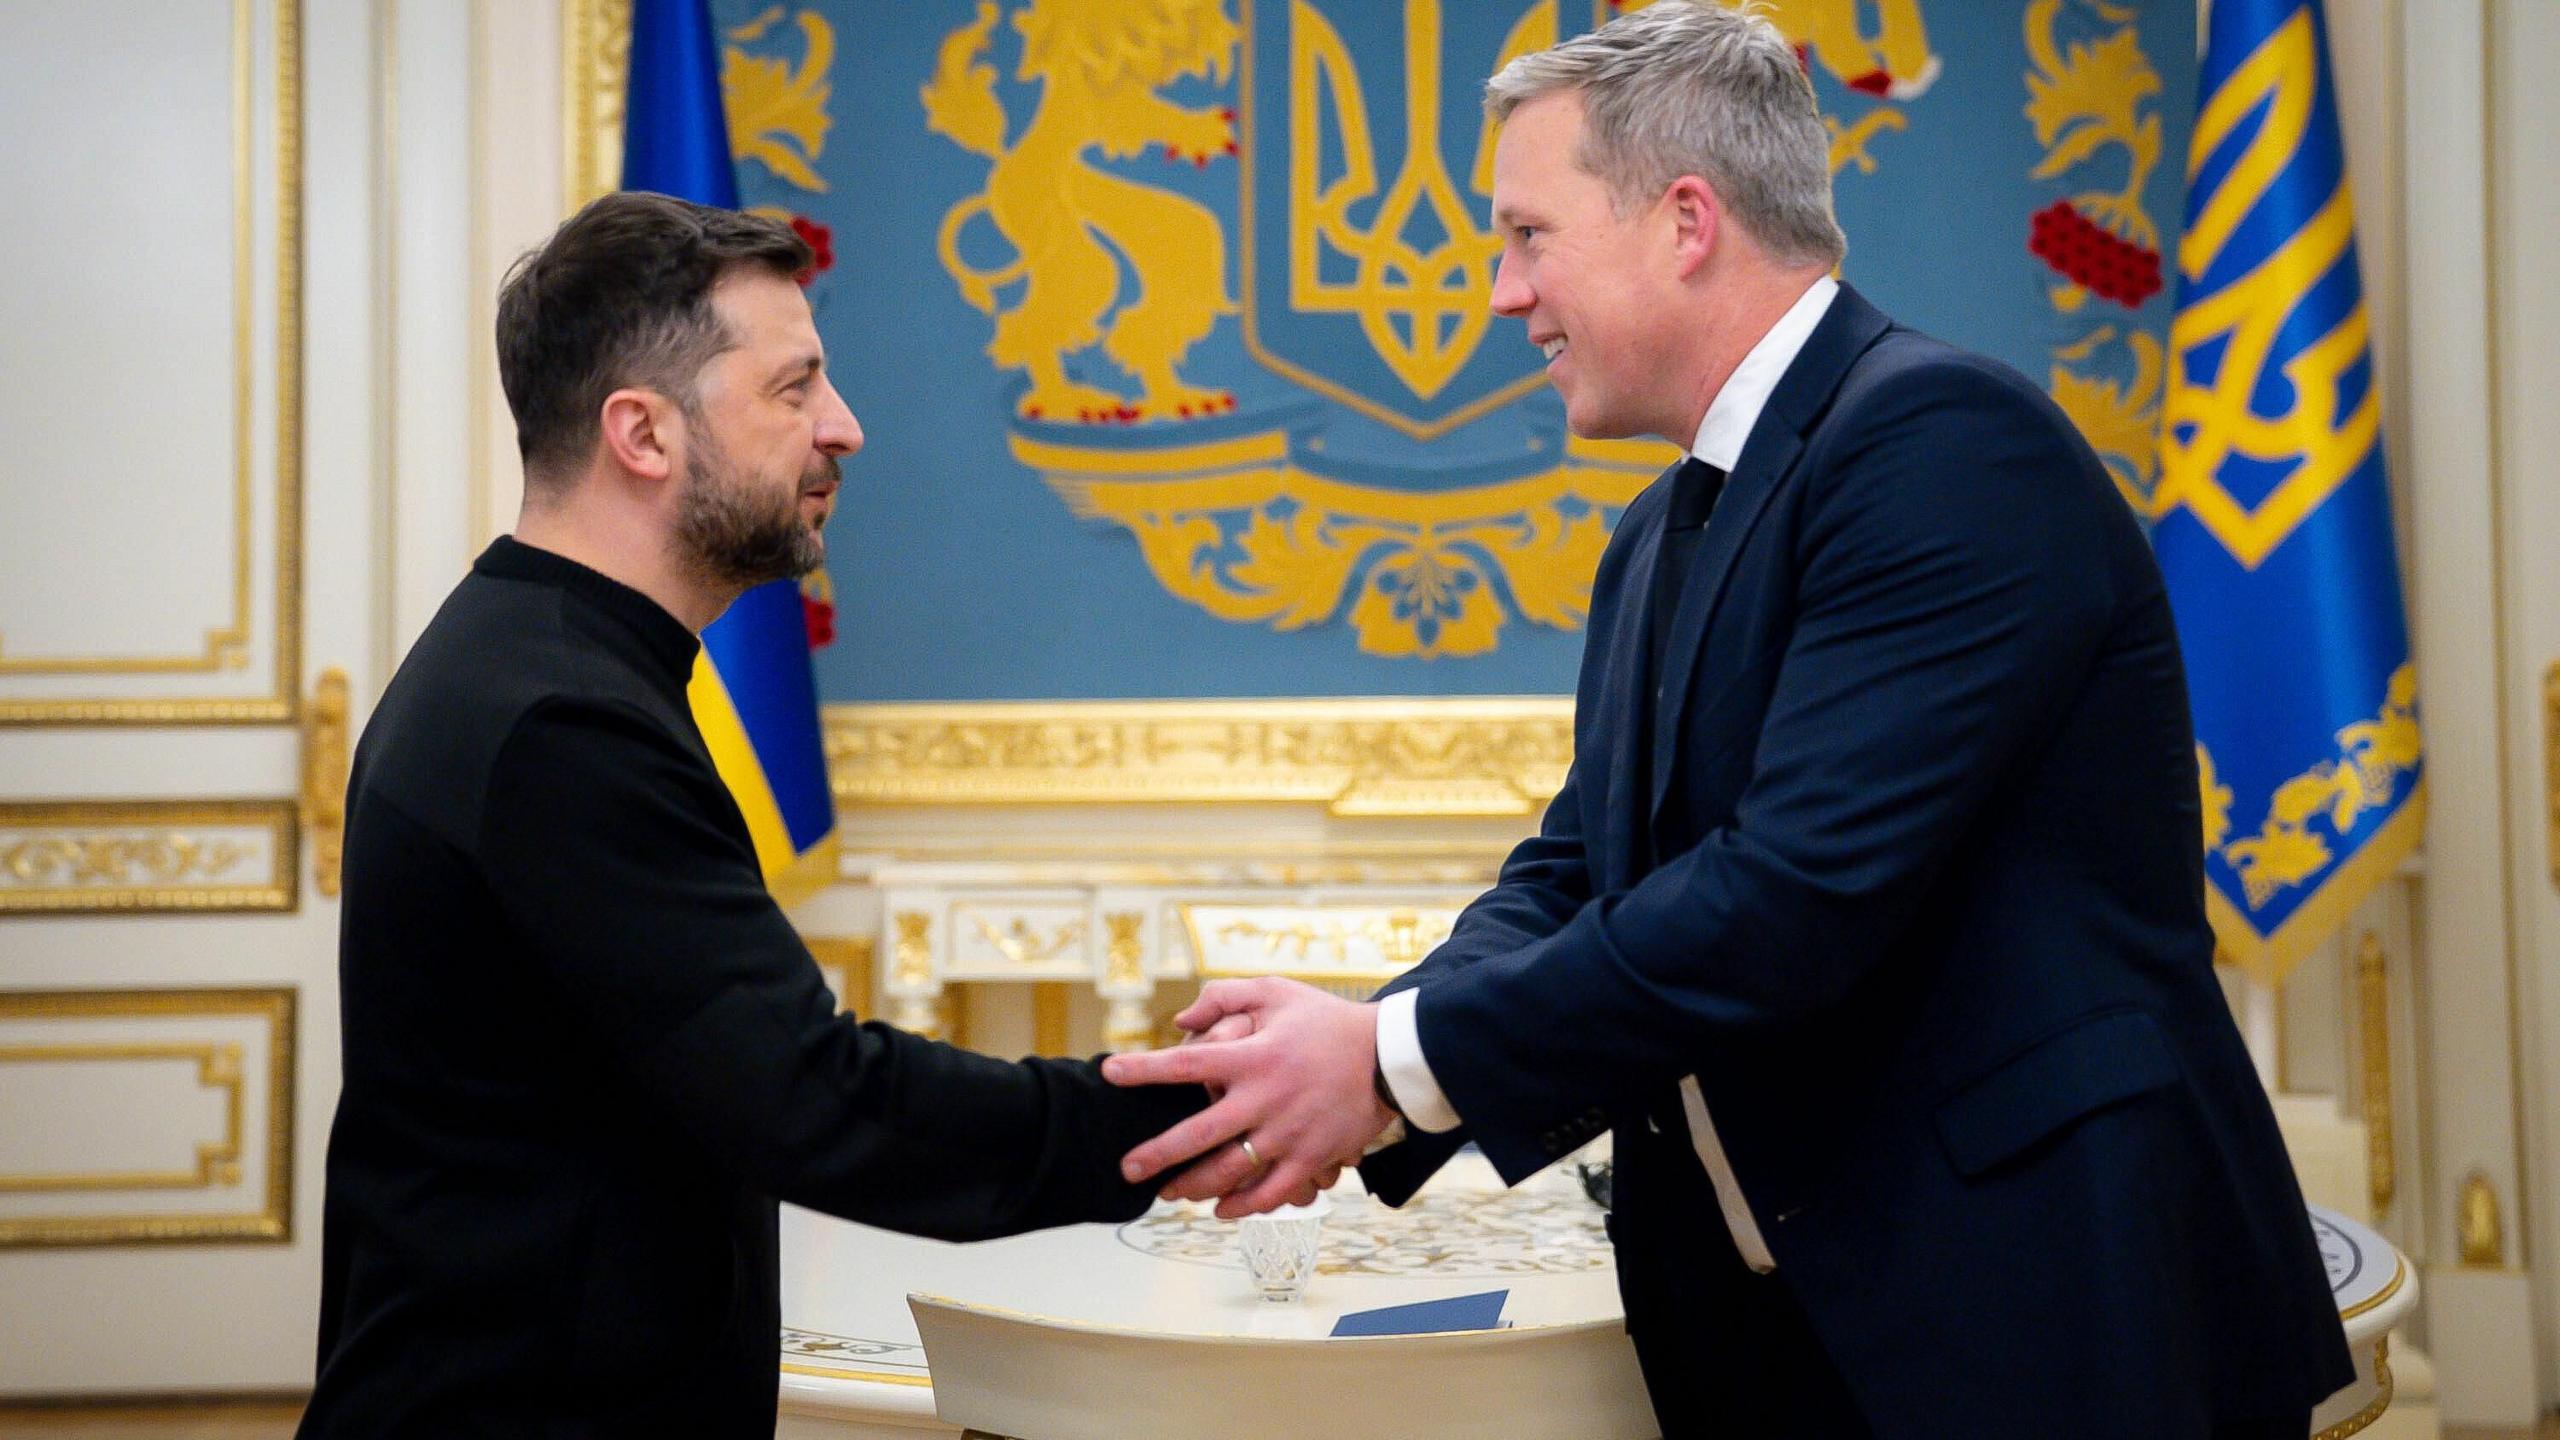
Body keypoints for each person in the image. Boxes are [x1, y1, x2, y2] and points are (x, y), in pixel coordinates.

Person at [1103, 5, 2353, 1436]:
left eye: (1528, 235)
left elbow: (1789, 896)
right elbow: (1576, 876)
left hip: (2036, 1318)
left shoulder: (1946, 447)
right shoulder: (1661, 528)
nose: (1504, 293)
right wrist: (1366, 1046)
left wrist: (1389, 1067)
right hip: (1785, 1333)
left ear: (1684, 222)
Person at [299, 192, 1234, 1437]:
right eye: (792, 391)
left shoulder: (547, 662)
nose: (841, 428)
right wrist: (1194, 1113)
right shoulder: (556, 721)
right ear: (642, 432)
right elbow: (816, 1101)